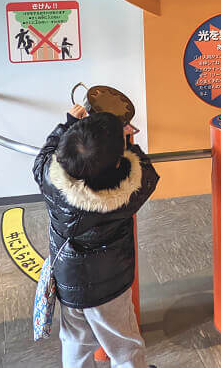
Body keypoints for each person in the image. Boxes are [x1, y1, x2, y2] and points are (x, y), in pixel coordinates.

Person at [33, 105, 159, 368]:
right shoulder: (124, 197)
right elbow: (147, 173)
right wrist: (128, 146)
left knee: (75, 343)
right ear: (117, 162)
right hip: (108, 287)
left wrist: (67, 125)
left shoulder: (49, 179)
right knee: (124, 344)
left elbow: (43, 156)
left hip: (68, 280)